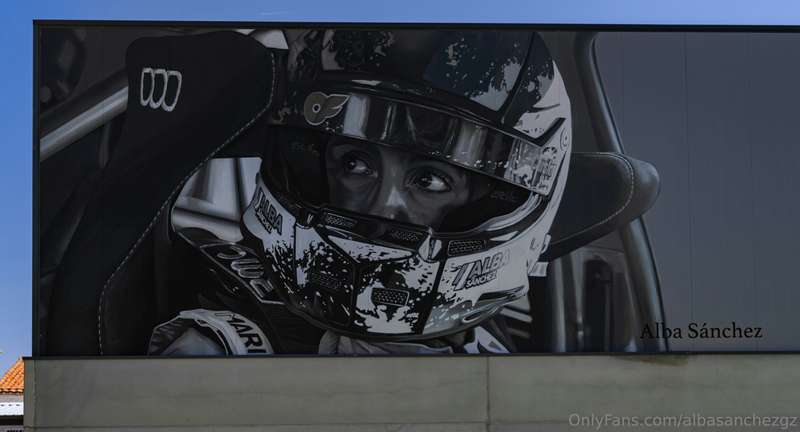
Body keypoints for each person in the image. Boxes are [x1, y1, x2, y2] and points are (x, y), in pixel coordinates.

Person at [148, 28, 573, 355]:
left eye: (429, 180)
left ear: (487, 203)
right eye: (356, 165)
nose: (383, 207)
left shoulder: (492, 351)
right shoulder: (226, 349)